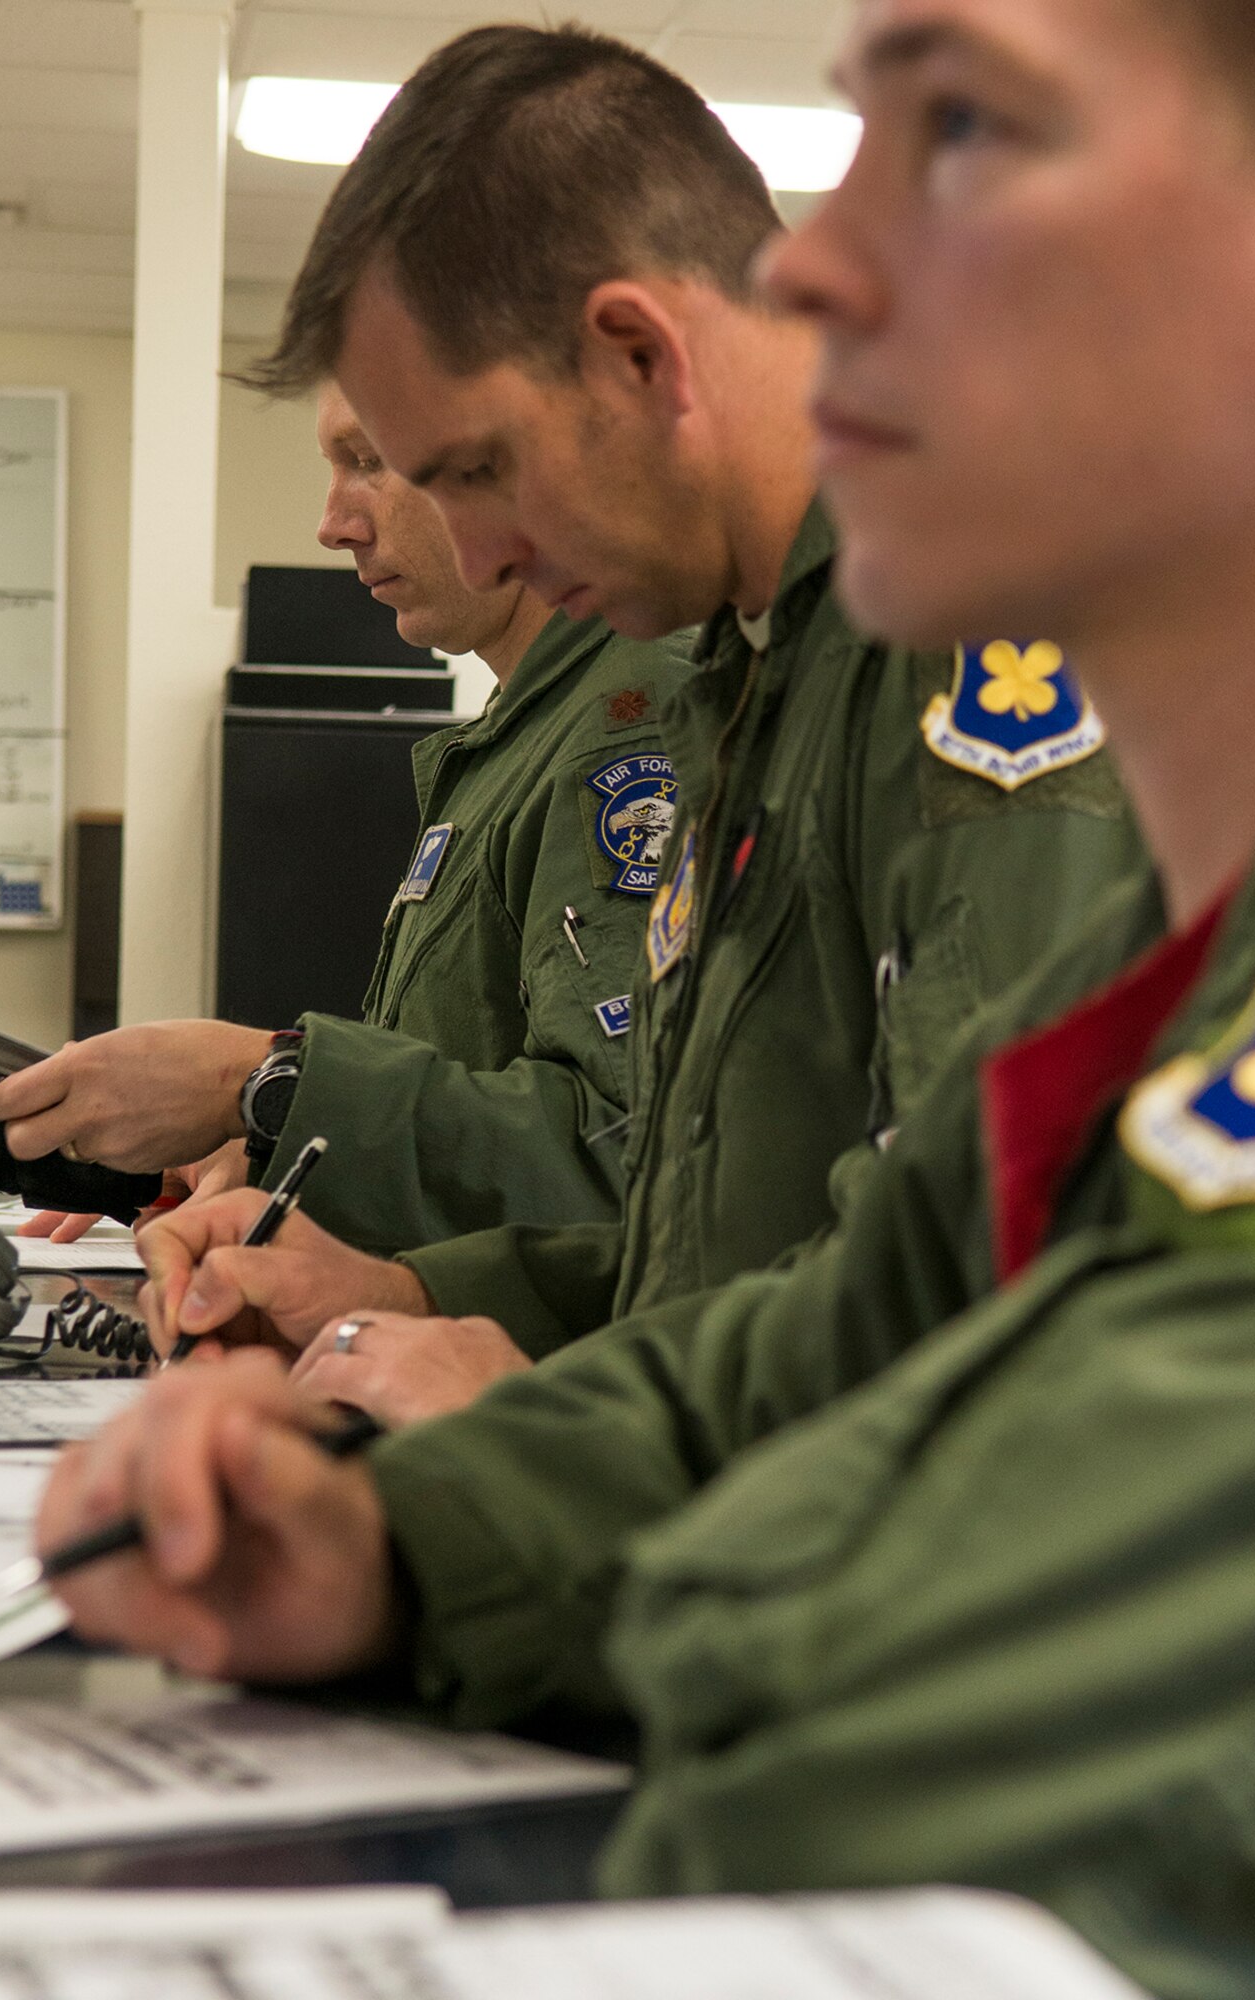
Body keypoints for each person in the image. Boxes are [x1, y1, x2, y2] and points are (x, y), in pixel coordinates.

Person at [39, 0, 1255, 1986]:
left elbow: (913, 1716)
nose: (805, 259)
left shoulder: (974, 704)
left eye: (963, 125)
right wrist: (405, 1542)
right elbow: (841, 1297)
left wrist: (544, 1519)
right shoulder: (1212, 934)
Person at [105, 22, 1144, 1401]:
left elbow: (979, 1318)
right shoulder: (749, 667)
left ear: (638, 358)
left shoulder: (966, 637)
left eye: (478, 469)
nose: (476, 557)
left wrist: (521, 1453)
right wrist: (417, 1292)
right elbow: (740, 1235)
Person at [0, 381, 696, 1257]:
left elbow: (626, 1154)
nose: (334, 525)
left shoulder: (632, 729)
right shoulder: (520, 736)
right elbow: (475, 1088)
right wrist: (282, 1151)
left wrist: (259, 1080)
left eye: (369, 462)